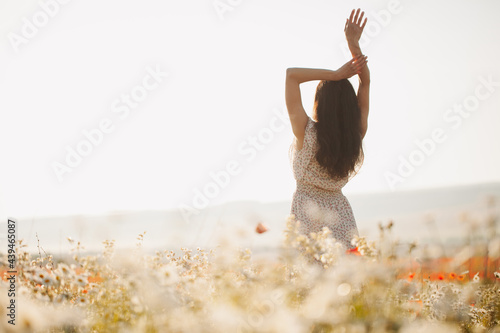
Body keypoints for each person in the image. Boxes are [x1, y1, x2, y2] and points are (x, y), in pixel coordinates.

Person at [285, 8, 370, 263]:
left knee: (308, 289)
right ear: (349, 106)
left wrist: (333, 75)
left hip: (306, 216)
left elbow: (291, 75)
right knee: (345, 286)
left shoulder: (305, 131)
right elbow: (365, 83)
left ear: (320, 103)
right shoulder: (356, 133)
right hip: (342, 216)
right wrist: (353, 46)